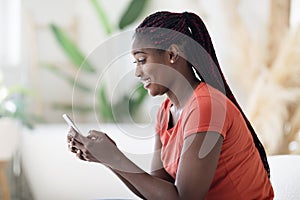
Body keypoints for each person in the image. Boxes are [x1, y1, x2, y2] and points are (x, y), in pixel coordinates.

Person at [67, 11, 274, 199]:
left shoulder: (206, 106)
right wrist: (108, 157)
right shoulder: (166, 112)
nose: (137, 73)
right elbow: (159, 191)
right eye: (135, 63)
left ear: (172, 54)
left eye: (142, 60)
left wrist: (114, 158)